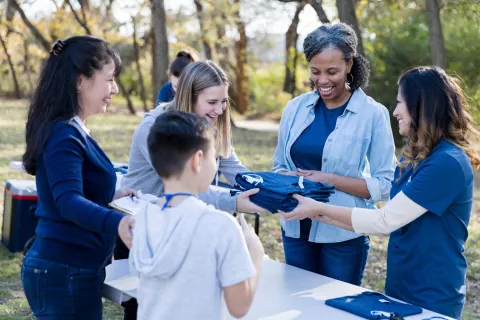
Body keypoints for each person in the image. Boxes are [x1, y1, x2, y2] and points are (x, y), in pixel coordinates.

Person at [279, 66, 479, 320]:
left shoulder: (447, 163)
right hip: (402, 282)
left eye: (399, 103)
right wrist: (313, 212)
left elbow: (385, 221)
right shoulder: (419, 158)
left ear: (421, 106)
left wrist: (317, 208)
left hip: (432, 291)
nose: (395, 112)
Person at [118, 60, 265, 319]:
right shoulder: (159, 130)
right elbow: (186, 185)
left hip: (190, 228)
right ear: (189, 96)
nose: (219, 110)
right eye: (212, 102)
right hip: (153, 230)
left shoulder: (209, 126)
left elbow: (236, 170)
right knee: (142, 304)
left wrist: (270, 190)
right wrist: (237, 205)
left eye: (224, 102)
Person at [21, 36, 136, 320]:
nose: (115, 89)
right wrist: (118, 222)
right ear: (79, 80)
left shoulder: (75, 128)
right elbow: (68, 201)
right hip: (63, 270)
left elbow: (78, 191)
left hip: (73, 269)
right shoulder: (64, 133)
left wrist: (113, 197)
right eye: (108, 80)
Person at [272, 23, 396, 285]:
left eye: (332, 71)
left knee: (338, 309)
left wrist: (329, 179)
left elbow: (385, 184)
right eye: (315, 72)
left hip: (343, 234)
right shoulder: (294, 108)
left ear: (349, 64)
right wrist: (286, 185)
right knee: (298, 307)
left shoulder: (373, 114)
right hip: (294, 227)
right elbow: (279, 166)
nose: (323, 81)